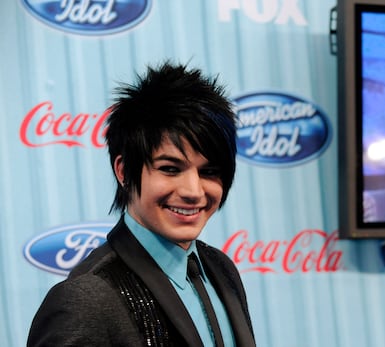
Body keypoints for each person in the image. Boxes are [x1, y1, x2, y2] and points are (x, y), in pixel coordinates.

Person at [28, 62, 256, 346]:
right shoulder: (87, 299)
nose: (193, 191)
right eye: (170, 169)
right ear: (124, 171)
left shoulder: (221, 268)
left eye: (209, 172)